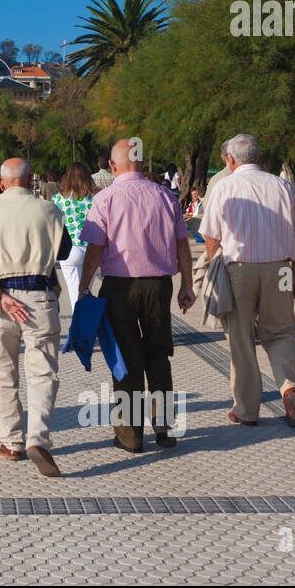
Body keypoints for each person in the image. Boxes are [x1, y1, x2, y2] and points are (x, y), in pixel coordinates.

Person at [79, 140, 196, 452]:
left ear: (114, 166)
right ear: (142, 164)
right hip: (159, 286)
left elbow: (95, 248)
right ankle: (164, 429)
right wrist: (188, 284)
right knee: (158, 354)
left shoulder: (105, 198)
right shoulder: (165, 197)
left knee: (127, 360)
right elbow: (182, 243)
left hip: (119, 288)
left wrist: (82, 287)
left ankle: (130, 437)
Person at [0, 158, 72, 476]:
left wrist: (1, 294)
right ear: (31, 181)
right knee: (42, 374)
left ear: (0, 183)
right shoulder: (50, 211)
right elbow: (64, 251)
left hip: (1, 303)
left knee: (3, 374)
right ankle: (37, 438)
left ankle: (12, 442)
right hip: (41, 300)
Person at [199, 133, 295, 427]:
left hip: (239, 270)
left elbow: (210, 234)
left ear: (231, 159)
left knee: (241, 338)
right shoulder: (282, 185)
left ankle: (246, 410)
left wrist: (214, 264)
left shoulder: (224, 186)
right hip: (281, 269)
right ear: (258, 157)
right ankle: (290, 388)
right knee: (282, 332)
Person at [51, 162, 94, 305]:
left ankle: (79, 325)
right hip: (92, 248)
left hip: (70, 248)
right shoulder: (96, 198)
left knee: (74, 293)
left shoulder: (58, 199)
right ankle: (89, 324)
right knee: (87, 291)